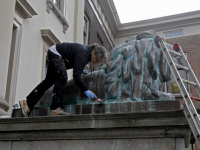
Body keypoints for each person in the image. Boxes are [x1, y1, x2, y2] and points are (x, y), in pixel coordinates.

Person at [19, 42, 108, 117]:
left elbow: (74, 62)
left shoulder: (87, 54)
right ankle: (55, 108)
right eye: (97, 59)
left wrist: (80, 70)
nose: (97, 62)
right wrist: (86, 90)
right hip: (56, 53)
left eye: (99, 61)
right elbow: (76, 76)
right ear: (93, 52)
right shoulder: (84, 53)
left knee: (49, 81)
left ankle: (27, 104)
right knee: (62, 78)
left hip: (55, 52)